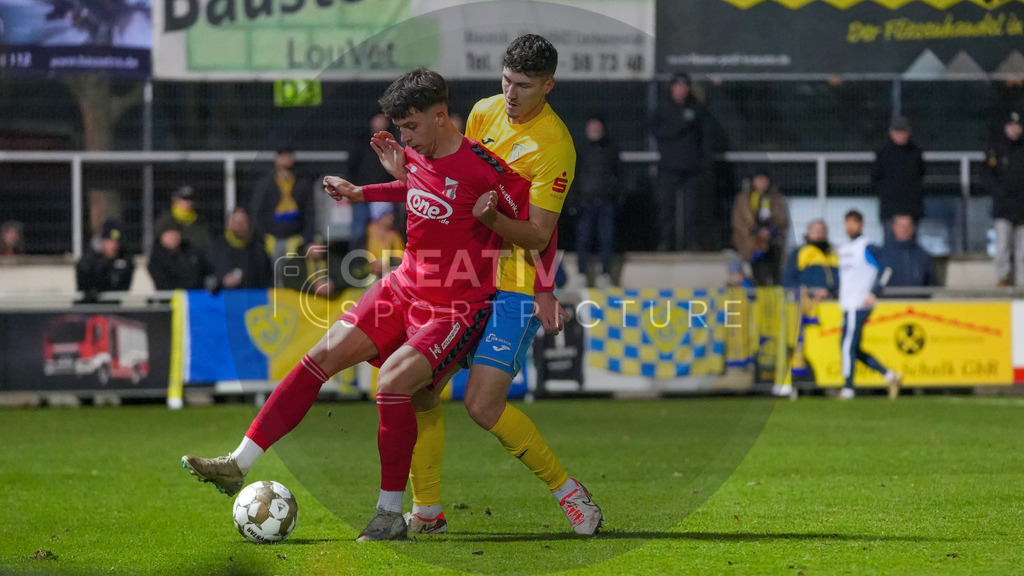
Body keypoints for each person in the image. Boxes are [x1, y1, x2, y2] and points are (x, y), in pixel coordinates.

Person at [181, 67, 534, 542]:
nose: (403, 138)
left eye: (410, 127)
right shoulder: (421, 154)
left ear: (441, 116)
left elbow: (539, 227)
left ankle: (390, 514)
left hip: (455, 308)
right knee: (319, 357)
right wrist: (362, 192)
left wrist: (543, 287)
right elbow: (421, 189)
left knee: (390, 385)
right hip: (403, 287)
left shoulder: (482, 166)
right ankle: (237, 463)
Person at [369, 34, 603, 536]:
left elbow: (542, 229)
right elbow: (446, 178)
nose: (511, 94)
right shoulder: (481, 113)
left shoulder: (554, 146)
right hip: (463, 279)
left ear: (548, 86)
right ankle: (427, 512)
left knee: (481, 404)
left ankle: (569, 492)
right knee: (419, 391)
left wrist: (542, 286)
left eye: (524, 85)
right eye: (506, 80)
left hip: (514, 285)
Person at [837, 210, 902, 400]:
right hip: (847, 303)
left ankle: (848, 387)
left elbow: (887, 269)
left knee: (847, 345)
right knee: (853, 347)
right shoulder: (843, 249)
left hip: (858, 303)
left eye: (854, 222)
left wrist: (874, 292)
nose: (850, 226)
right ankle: (890, 375)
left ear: (861, 225)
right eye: (848, 222)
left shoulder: (867, 247)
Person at [650, 72, 711, 251]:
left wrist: (703, 159)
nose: (681, 90)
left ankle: (692, 243)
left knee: (692, 208)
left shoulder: (697, 108)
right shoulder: (662, 108)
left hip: (692, 166)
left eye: (684, 86)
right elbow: (657, 131)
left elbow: (705, 136)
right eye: (678, 86)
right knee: (666, 207)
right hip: (669, 165)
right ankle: (666, 241)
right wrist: (681, 124)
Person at [249, 148, 322, 287]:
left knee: (292, 273)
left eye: (288, 156)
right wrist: (263, 233)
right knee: (273, 273)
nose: (286, 159)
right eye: (283, 156)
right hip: (271, 238)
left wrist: (308, 238)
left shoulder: (302, 183)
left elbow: (309, 213)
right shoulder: (266, 183)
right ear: (276, 160)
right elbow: (257, 211)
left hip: (295, 238)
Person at [781, 219, 839, 394]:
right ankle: (799, 384)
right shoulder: (800, 252)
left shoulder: (833, 254)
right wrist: (807, 293)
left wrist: (830, 291)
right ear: (807, 233)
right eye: (815, 230)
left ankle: (828, 382)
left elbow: (840, 279)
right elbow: (788, 279)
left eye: (822, 230)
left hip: (830, 308)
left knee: (829, 346)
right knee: (801, 347)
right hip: (805, 309)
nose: (819, 233)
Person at [574, 114, 620, 289]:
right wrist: (574, 199)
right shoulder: (579, 148)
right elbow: (573, 175)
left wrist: (616, 195)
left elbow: (619, 174)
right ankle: (582, 274)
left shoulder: (611, 148)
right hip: (585, 202)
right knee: (583, 239)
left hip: (606, 201)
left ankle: (605, 274)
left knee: (606, 239)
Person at [348, 112, 400, 249]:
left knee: (385, 230)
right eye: (379, 119)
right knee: (359, 230)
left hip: (383, 195)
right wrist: (352, 189)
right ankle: (358, 264)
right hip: (362, 193)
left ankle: (385, 264)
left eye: (384, 120)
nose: (381, 123)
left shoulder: (391, 144)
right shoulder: (361, 141)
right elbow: (351, 166)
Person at [731, 169, 790, 286]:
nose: (762, 183)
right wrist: (755, 231)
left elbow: (783, 220)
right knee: (756, 275)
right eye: (758, 180)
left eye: (764, 180)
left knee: (773, 275)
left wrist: (771, 231)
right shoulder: (743, 199)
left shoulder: (776, 199)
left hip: (772, 244)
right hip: (750, 245)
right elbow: (738, 221)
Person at [986, 110, 1024, 287]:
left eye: (1018, 126)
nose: (1015, 130)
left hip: (1022, 207)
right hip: (1003, 207)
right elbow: (989, 176)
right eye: (1012, 126)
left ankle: (1022, 280)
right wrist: (1000, 194)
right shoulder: (995, 148)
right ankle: (1003, 278)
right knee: (1002, 246)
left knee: (1022, 249)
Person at [873, 116, 925, 244]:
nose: (900, 135)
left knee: (911, 247)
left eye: (903, 132)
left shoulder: (915, 152)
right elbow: (875, 178)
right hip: (890, 209)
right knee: (890, 246)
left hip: (911, 209)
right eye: (898, 132)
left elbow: (920, 175)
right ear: (892, 133)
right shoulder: (883, 153)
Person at [207, 206, 272, 290]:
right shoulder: (217, 248)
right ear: (229, 224)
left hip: (252, 300)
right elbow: (208, 276)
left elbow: (267, 279)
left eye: (243, 222)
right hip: (223, 299)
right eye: (236, 222)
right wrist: (222, 281)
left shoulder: (257, 250)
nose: (240, 225)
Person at [76, 219, 134, 302]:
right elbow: (85, 283)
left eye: (116, 242)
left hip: (112, 306)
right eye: (109, 241)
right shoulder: (90, 257)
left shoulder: (124, 257)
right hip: (89, 306)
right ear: (103, 241)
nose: (113, 245)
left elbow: (122, 285)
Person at [154, 185, 213, 262]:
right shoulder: (165, 221)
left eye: (192, 199)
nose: (189, 202)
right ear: (175, 201)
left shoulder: (201, 221)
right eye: (185, 199)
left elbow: (206, 245)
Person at [147, 219, 209, 290]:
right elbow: (163, 282)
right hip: (170, 297)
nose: (173, 236)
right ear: (162, 236)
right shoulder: (157, 258)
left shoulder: (190, 252)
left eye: (176, 232)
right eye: (169, 233)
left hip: (193, 295)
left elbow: (203, 271)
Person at [880, 214, 937, 288]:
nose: (904, 229)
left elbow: (931, 281)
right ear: (894, 227)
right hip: (890, 298)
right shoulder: (882, 253)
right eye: (901, 226)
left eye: (908, 226)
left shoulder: (922, 255)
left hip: (918, 298)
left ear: (912, 228)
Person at [365, 202, 404, 277]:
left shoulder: (395, 236)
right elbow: (357, 262)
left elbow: (401, 257)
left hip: (389, 275)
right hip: (369, 278)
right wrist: (371, 266)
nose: (392, 217)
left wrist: (389, 263)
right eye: (387, 214)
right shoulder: (366, 236)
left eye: (391, 214)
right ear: (379, 217)